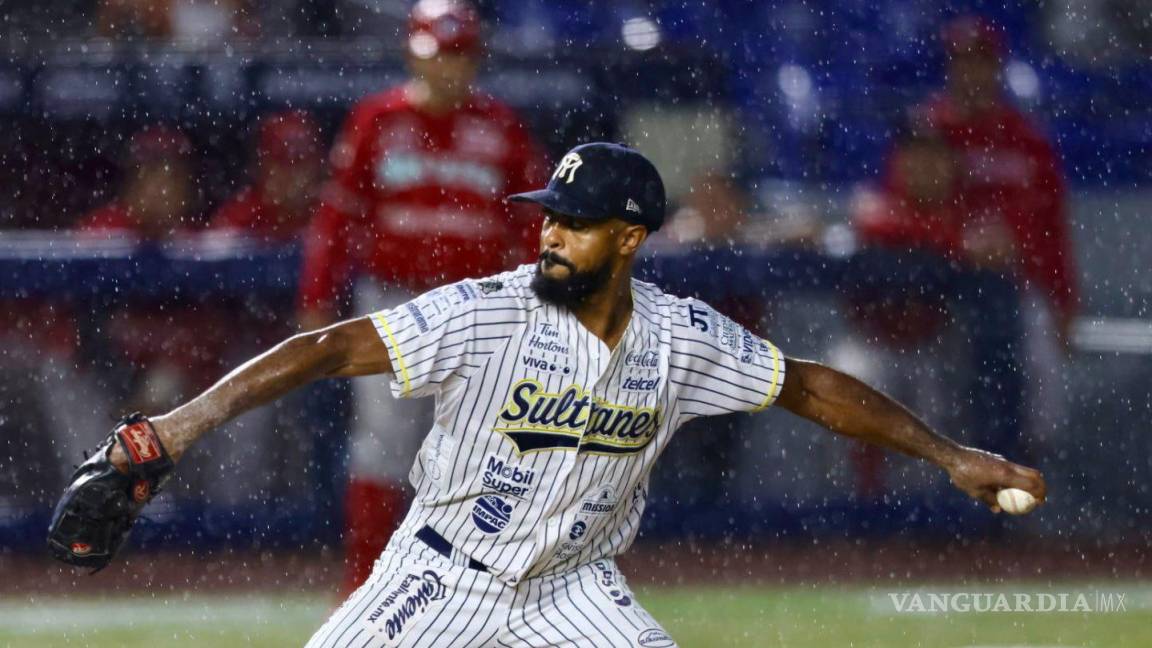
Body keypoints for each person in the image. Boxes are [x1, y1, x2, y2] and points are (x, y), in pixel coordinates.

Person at [100, 142, 1045, 647]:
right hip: (441, 576)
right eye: (548, 218)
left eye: (577, 225)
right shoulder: (488, 311)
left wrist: (949, 455)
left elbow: (807, 386)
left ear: (629, 240)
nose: (550, 238)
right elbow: (323, 349)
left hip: (572, 592)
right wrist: (178, 429)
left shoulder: (679, 336)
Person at [295, 0, 547, 595]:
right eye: (440, 54)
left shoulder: (502, 125)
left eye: (460, 56)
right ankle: (365, 587)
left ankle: (474, 590)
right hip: (393, 302)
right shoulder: (378, 119)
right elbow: (337, 219)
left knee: (484, 450)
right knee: (382, 446)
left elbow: (533, 228)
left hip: (479, 306)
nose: (450, 69)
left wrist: (541, 300)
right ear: (413, 51)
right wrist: (317, 295)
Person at [918, 15, 1077, 450]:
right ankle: (945, 513)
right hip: (942, 290)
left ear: (997, 66)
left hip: (1019, 290)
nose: (970, 72)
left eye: (980, 61)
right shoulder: (927, 132)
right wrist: (958, 242)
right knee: (941, 418)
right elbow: (898, 210)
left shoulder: (1027, 139)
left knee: (1036, 412)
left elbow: (1053, 230)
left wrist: (1064, 299)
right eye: (961, 61)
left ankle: (1014, 504)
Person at [209, 110, 324, 243]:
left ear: (320, 164)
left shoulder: (333, 215)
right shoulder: (239, 220)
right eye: (283, 161)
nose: (294, 174)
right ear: (262, 165)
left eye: (302, 160)